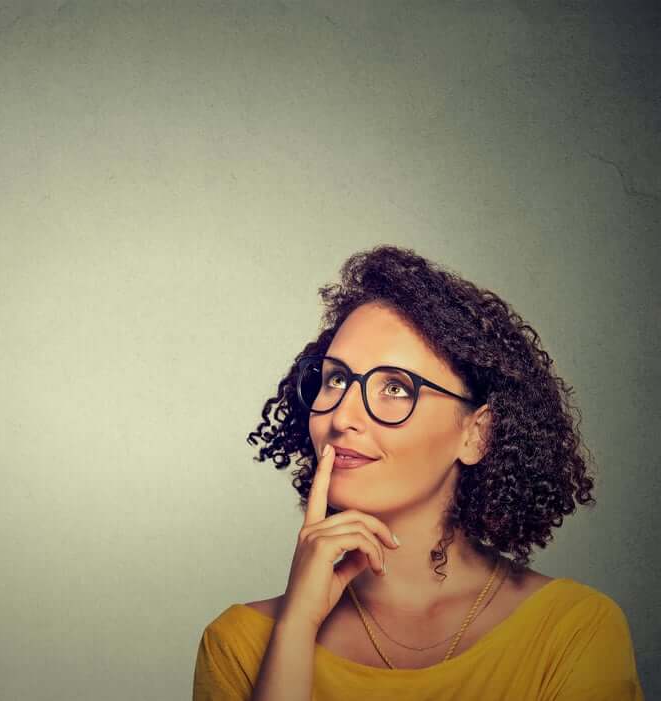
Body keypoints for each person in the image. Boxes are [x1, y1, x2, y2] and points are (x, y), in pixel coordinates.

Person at [192, 245, 644, 700]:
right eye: (335, 379)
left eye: (394, 387)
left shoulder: (573, 630)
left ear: (476, 434)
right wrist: (295, 629)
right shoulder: (239, 644)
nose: (342, 415)